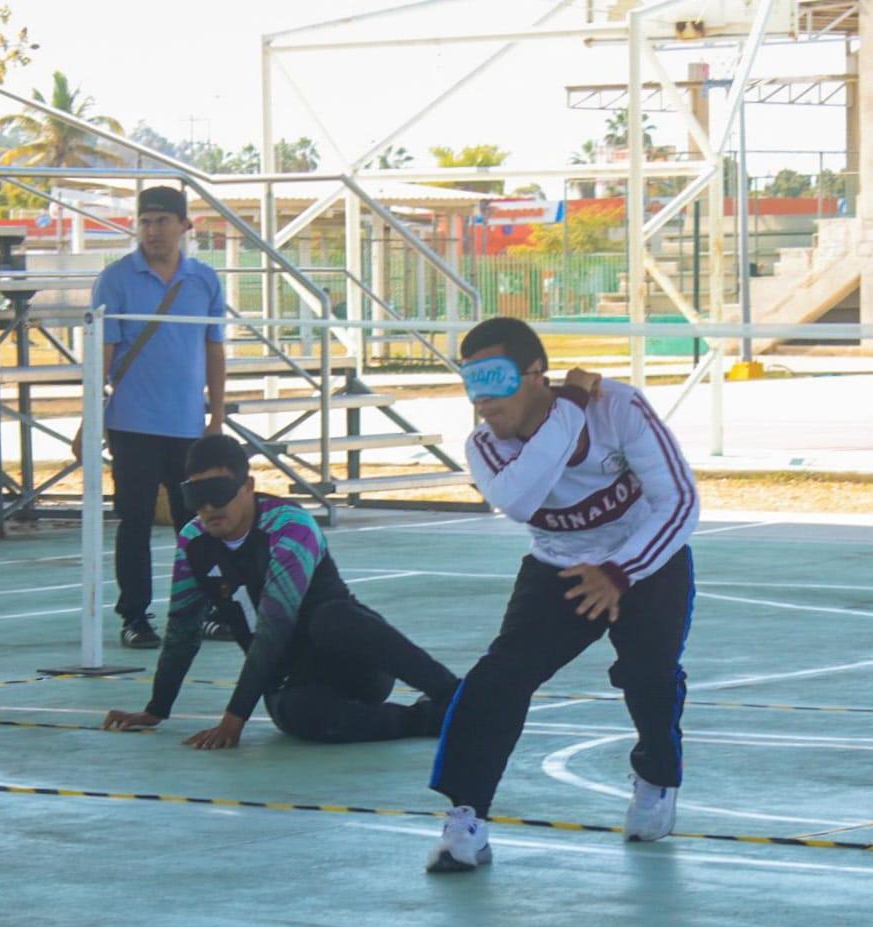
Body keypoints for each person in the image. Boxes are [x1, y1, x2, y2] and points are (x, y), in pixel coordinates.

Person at [425, 317, 699, 873]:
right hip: (559, 571)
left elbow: (680, 502)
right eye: (470, 381)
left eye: (495, 378)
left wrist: (621, 572)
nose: (482, 397)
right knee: (497, 679)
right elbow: (520, 499)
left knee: (650, 675)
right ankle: (467, 816)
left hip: (646, 560)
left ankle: (656, 776)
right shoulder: (486, 446)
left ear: (535, 376)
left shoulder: (619, 409)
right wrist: (568, 403)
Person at [102, 435, 460, 748]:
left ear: (248, 487)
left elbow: (275, 628)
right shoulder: (193, 541)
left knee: (332, 618)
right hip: (291, 680)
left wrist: (234, 719)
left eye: (219, 494)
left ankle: (456, 694)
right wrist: (155, 709)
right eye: (196, 496)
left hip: (353, 662)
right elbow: (182, 629)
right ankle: (425, 720)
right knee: (298, 716)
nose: (208, 508)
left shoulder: (289, 527)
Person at [79, 185, 229, 650]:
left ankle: (204, 608)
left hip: (187, 425)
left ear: (185, 226)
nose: (152, 230)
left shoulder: (204, 281)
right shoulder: (116, 279)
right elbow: (101, 353)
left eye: (163, 221)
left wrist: (216, 417)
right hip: (133, 424)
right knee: (135, 521)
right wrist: (90, 415)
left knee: (199, 523)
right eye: (145, 221)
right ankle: (135, 617)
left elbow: (214, 348)